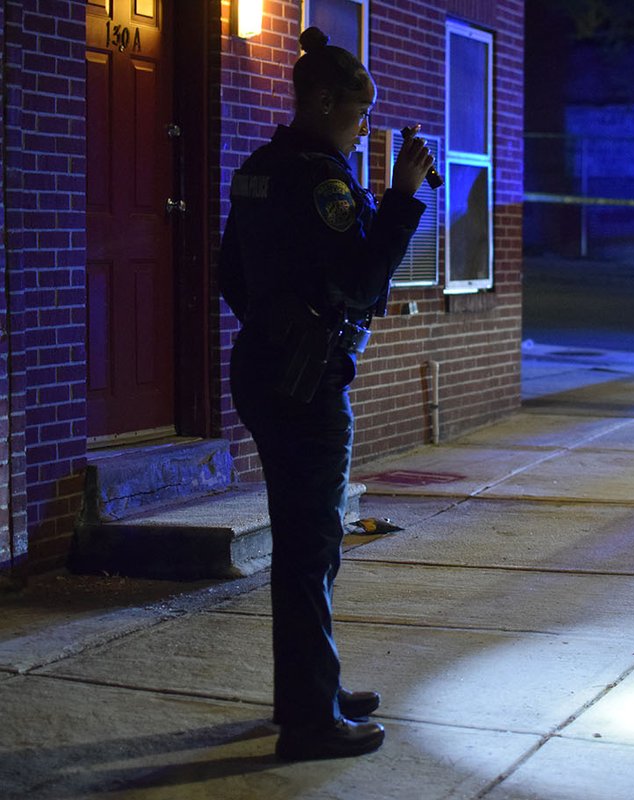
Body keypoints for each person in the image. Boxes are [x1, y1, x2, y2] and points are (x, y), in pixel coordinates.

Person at [219, 27, 433, 761]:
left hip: (264, 370)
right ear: (320, 102)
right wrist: (402, 199)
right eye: (357, 115)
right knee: (310, 548)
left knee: (312, 543)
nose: (363, 128)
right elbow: (367, 281)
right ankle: (309, 723)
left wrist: (278, 325)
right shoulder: (322, 181)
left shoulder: (258, 169)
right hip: (305, 384)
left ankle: (311, 689)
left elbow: (232, 277)